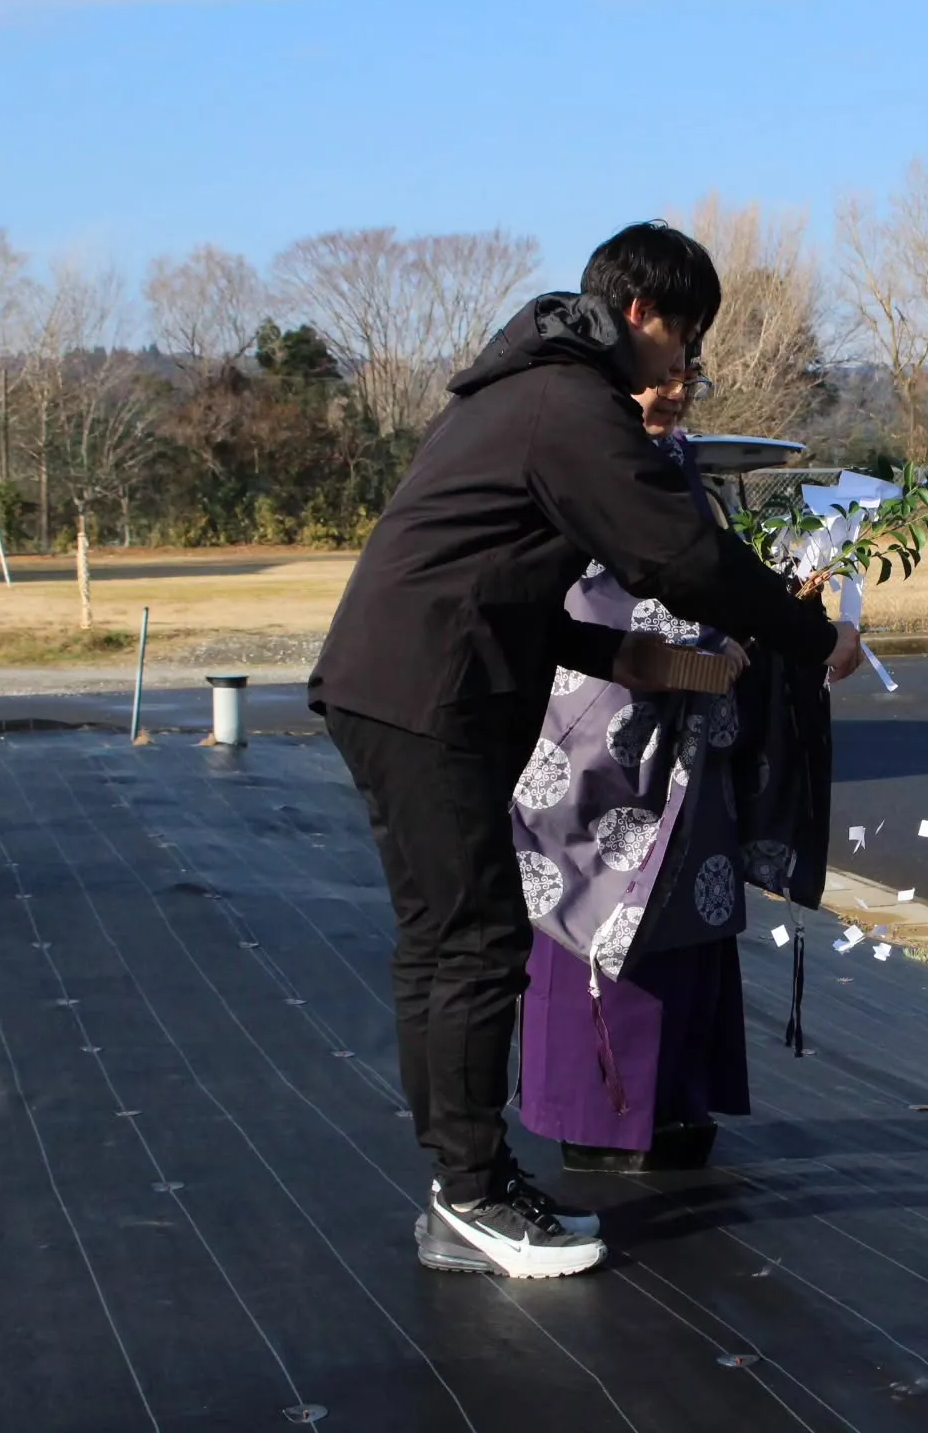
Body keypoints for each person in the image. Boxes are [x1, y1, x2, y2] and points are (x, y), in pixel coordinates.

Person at [308, 221, 863, 1280]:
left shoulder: (520, 391)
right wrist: (806, 633)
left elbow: (498, 575)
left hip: (397, 677)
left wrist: (618, 655)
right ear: (644, 315)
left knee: (441, 942)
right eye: (685, 339)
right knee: (473, 943)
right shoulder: (574, 406)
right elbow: (680, 555)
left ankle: (459, 1188)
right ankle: (471, 1196)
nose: (684, 367)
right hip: (433, 689)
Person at [515, 352, 753, 1174]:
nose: (677, 393)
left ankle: (678, 1099)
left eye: (693, 377)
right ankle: (599, 1110)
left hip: (686, 716)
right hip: (592, 713)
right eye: (665, 375)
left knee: (685, 900)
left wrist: (763, 616)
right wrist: (711, 627)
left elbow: (712, 568)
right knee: (591, 896)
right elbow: (589, 594)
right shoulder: (578, 455)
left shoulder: (686, 469)